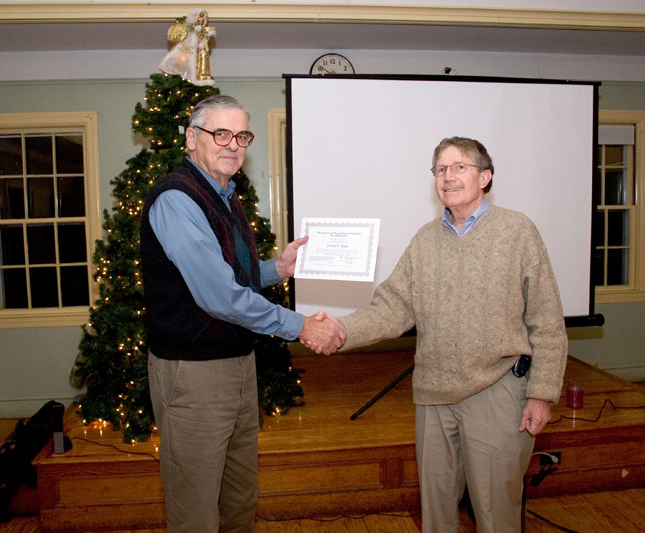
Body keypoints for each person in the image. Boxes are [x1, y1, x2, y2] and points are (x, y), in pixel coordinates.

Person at [316, 137, 568, 532]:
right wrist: (339, 330)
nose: (448, 177)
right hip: (433, 395)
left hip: (497, 389)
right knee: (436, 517)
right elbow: (393, 307)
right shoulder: (424, 240)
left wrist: (541, 393)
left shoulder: (518, 232)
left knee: (496, 515)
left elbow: (547, 321)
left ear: (485, 177)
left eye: (459, 167)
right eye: (440, 169)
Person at [140, 94, 344, 532]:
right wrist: (301, 326)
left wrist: (277, 269)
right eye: (220, 133)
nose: (233, 144)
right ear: (192, 139)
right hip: (193, 375)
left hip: (235, 363)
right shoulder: (178, 199)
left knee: (238, 496)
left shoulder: (224, 194)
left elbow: (228, 274)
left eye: (242, 135)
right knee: (195, 506)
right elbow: (220, 297)